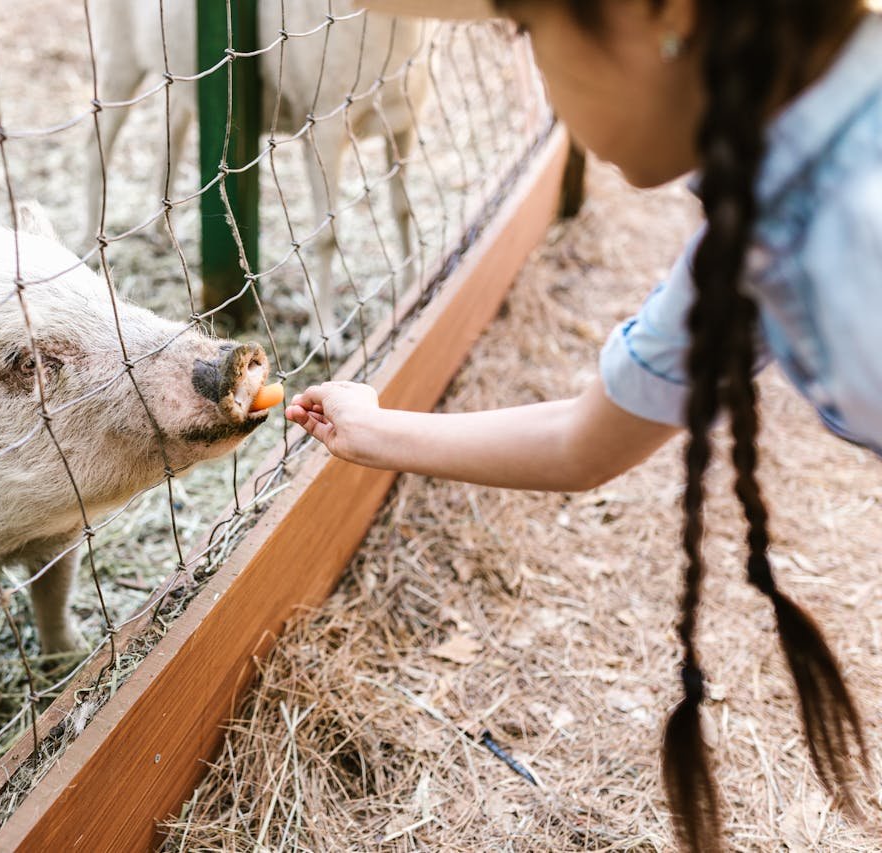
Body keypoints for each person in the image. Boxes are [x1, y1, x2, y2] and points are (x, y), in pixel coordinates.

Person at [287, 1, 881, 849]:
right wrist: (373, 430)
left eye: (527, 30)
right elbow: (584, 440)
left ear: (664, 14)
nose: (540, 83)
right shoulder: (761, 199)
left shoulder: (859, 218)